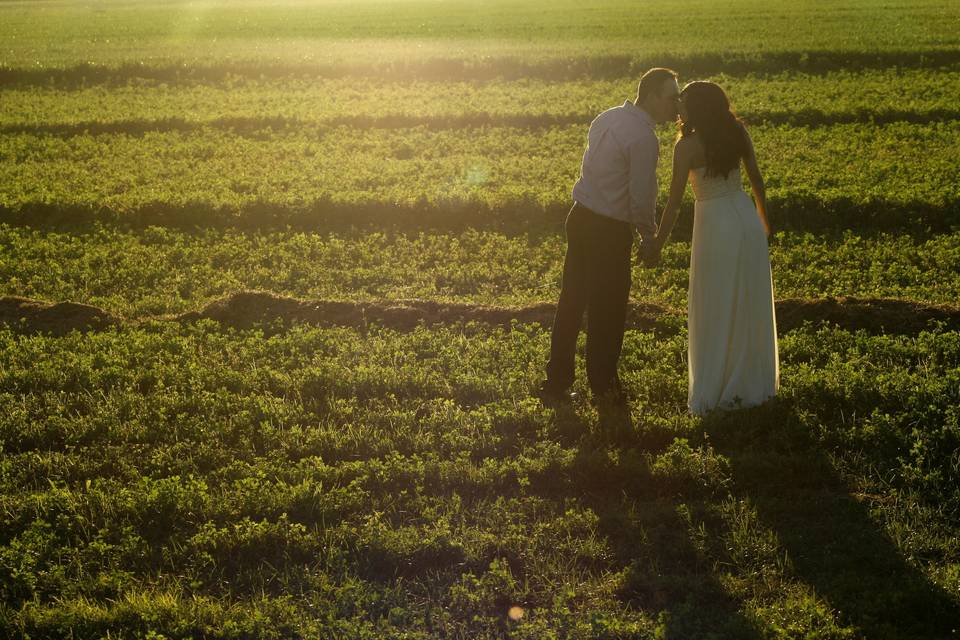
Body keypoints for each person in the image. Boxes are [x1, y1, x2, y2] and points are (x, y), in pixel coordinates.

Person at [537, 68, 681, 405]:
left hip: (580, 217)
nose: (676, 105)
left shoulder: (608, 117)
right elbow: (641, 196)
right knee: (608, 309)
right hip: (609, 229)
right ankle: (604, 387)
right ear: (651, 96)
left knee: (571, 301)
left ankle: (556, 382)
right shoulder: (644, 138)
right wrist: (649, 238)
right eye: (671, 96)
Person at [651, 81, 779, 415]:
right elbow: (757, 181)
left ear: (696, 108)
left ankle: (718, 386)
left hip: (715, 226)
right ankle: (751, 384)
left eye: (683, 102)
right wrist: (763, 224)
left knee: (717, 302)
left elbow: (675, 204)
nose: (678, 107)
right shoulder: (737, 132)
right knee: (747, 301)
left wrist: (657, 243)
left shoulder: (687, 147)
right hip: (745, 220)